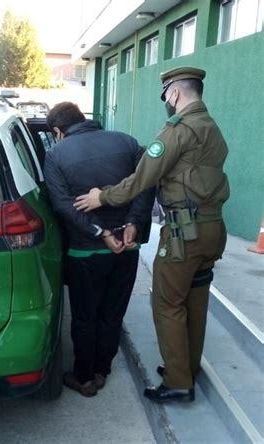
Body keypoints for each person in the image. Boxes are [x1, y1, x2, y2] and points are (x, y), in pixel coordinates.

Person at [74, 67, 230, 403]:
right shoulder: (212, 127)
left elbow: (142, 177)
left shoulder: (177, 130)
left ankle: (178, 382)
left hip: (183, 234)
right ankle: (186, 366)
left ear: (173, 94)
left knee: (167, 302)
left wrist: (102, 196)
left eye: (166, 98)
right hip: (212, 229)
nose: (167, 104)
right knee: (196, 299)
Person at [44, 101, 155, 397]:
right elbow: (146, 186)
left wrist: (100, 232)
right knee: (112, 313)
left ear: (58, 131)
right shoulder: (127, 142)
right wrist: (133, 223)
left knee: (84, 317)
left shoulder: (56, 154)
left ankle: (83, 377)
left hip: (85, 252)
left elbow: (63, 205)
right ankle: (101, 371)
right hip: (127, 249)